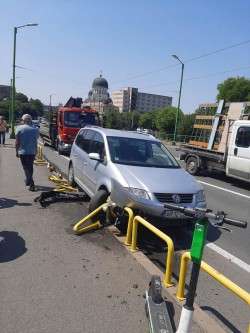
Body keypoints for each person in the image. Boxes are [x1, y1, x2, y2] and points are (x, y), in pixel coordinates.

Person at [15, 114, 39, 191]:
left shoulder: (19, 128)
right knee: (30, 166)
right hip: (32, 151)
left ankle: (31, 184)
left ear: (23, 120)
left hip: (23, 151)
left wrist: (16, 151)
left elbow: (17, 142)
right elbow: (36, 138)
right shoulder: (36, 129)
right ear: (30, 120)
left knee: (26, 167)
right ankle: (28, 180)